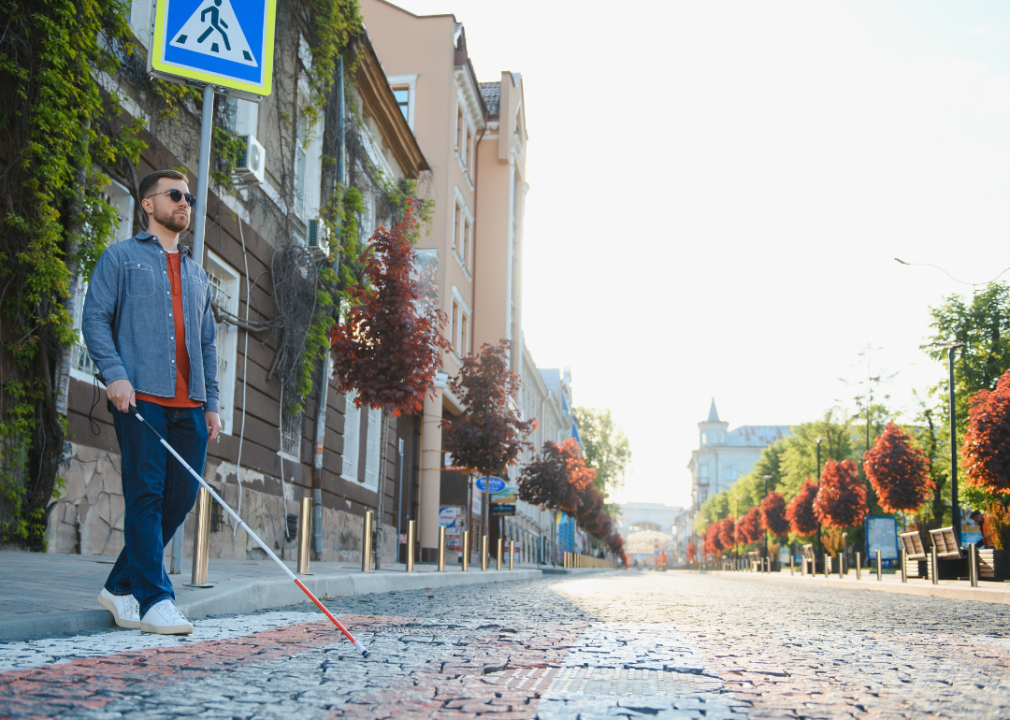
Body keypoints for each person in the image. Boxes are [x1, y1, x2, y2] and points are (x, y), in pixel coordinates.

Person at [82, 169, 221, 635]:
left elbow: (207, 345)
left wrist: (212, 404)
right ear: (148, 205)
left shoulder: (198, 274)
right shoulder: (120, 258)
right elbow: (96, 319)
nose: (185, 203)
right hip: (140, 398)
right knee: (145, 494)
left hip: (191, 406)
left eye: (190, 198)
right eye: (175, 195)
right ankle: (155, 598)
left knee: (178, 499)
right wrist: (115, 375)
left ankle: (120, 586)